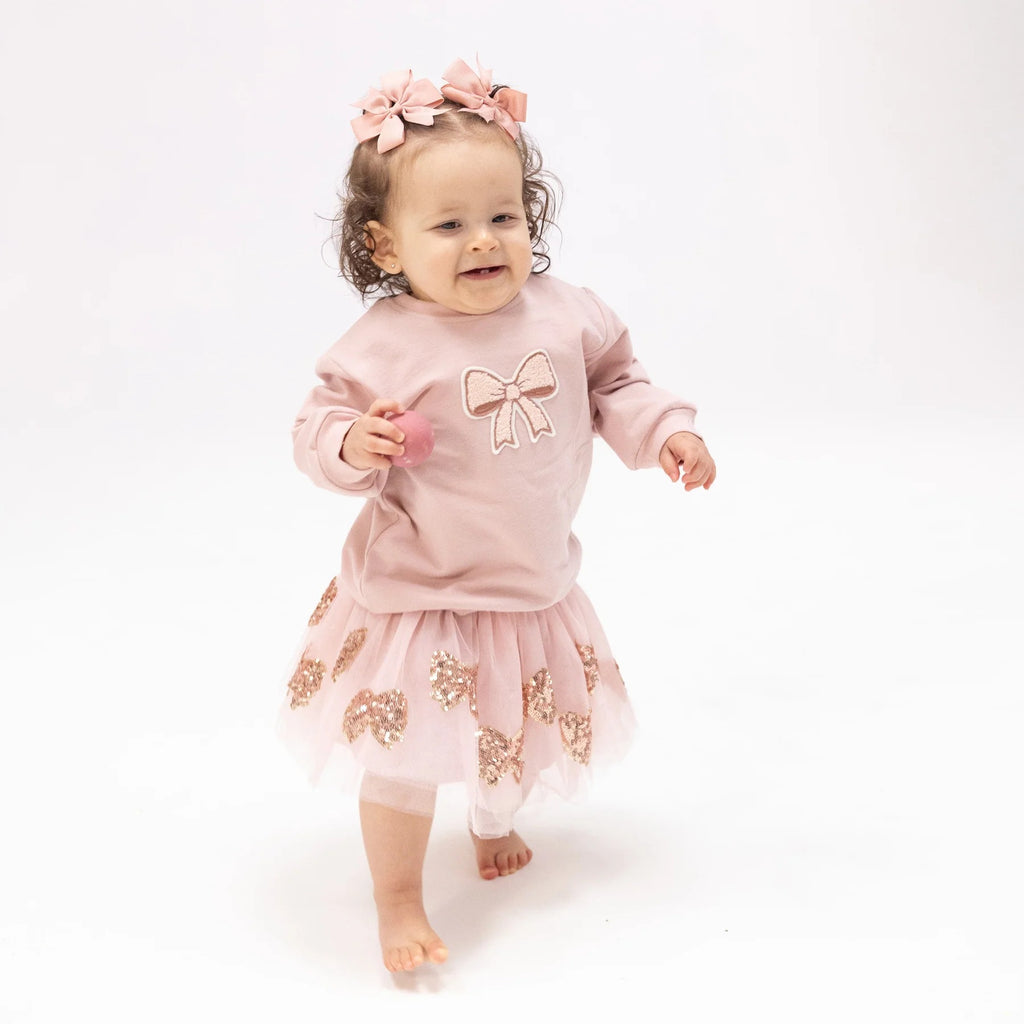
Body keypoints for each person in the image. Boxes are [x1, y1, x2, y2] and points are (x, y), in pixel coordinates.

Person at [278, 59, 717, 974]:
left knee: (510, 732)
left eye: (504, 217)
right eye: (448, 225)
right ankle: (398, 898)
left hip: (529, 584)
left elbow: (617, 384)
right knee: (401, 761)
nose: (483, 241)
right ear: (385, 246)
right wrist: (353, 441)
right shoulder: (382, 344)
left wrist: (665, 429)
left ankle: (491, 820)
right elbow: (314, 429)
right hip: (420, 594)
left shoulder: (567, 316)